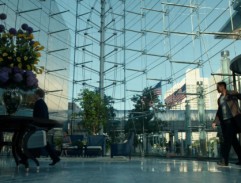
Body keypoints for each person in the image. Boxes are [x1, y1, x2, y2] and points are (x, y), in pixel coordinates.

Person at [212, 81, 241, 166]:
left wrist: (235, 94)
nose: (217, 89)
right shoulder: (219, 99)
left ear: (222, 87)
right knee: (234, 142)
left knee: (227, 141)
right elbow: (219, 112)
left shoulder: (232, 93)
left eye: (218, 87)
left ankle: (225, 161)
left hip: (232, 120)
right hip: (224, 122)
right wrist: (215, 122)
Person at [33, 88, 60, 166]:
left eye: (34, 94)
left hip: (39, 126)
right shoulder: (43, 103)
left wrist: (37, 125)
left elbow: (37, 117)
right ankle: (55, 158)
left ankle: (29, 156)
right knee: (44, 143)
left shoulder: (38, 103)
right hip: (43, 126)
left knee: (39, 142)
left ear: (37, 94)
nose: (33, 95)